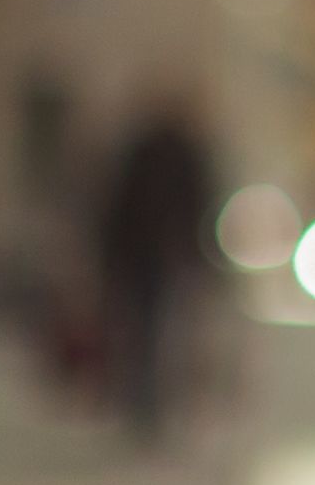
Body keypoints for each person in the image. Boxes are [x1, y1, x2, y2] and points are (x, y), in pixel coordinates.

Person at [91, 90, 219, 452]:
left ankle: (153, 404)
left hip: (153, 258)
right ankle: (150, 404)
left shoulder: (156, 152)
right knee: (155, 332)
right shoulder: (172, 152)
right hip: (155, 258)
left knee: (151, 333)